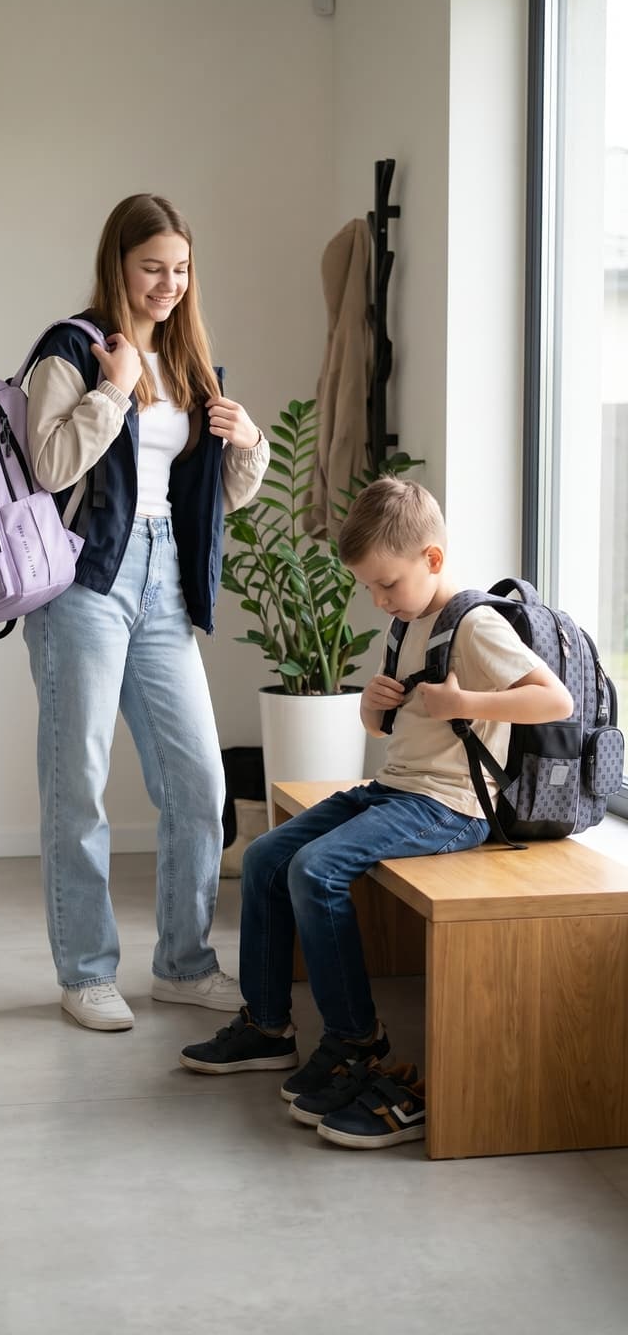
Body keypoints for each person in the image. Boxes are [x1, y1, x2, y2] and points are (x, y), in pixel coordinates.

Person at [179, 478, 573, 1148]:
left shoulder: (476, 624)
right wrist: (372, 705)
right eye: (369, 587)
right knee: (269, 855)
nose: (379, 599)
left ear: (432, 559)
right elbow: (385, 729)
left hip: (451, 805)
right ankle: (268, 1026)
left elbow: (554, 700)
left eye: (386, 584)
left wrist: (466, 704)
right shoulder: (408, 620)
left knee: (316, 869)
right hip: (396, 789)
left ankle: (356, 1042)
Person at [23, 193, 269, 1031]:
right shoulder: (72, 350)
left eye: (181, 269)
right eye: (151, 267)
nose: (168, 284)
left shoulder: (192, 364)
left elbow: (212, 500)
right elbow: (51, 466)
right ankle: (86, 973)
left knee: (199, 784)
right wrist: (115, 391)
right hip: (86, 580)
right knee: (78, 784)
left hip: (166, 579)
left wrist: (249, 445)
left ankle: (183, 965)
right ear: (118, 264)